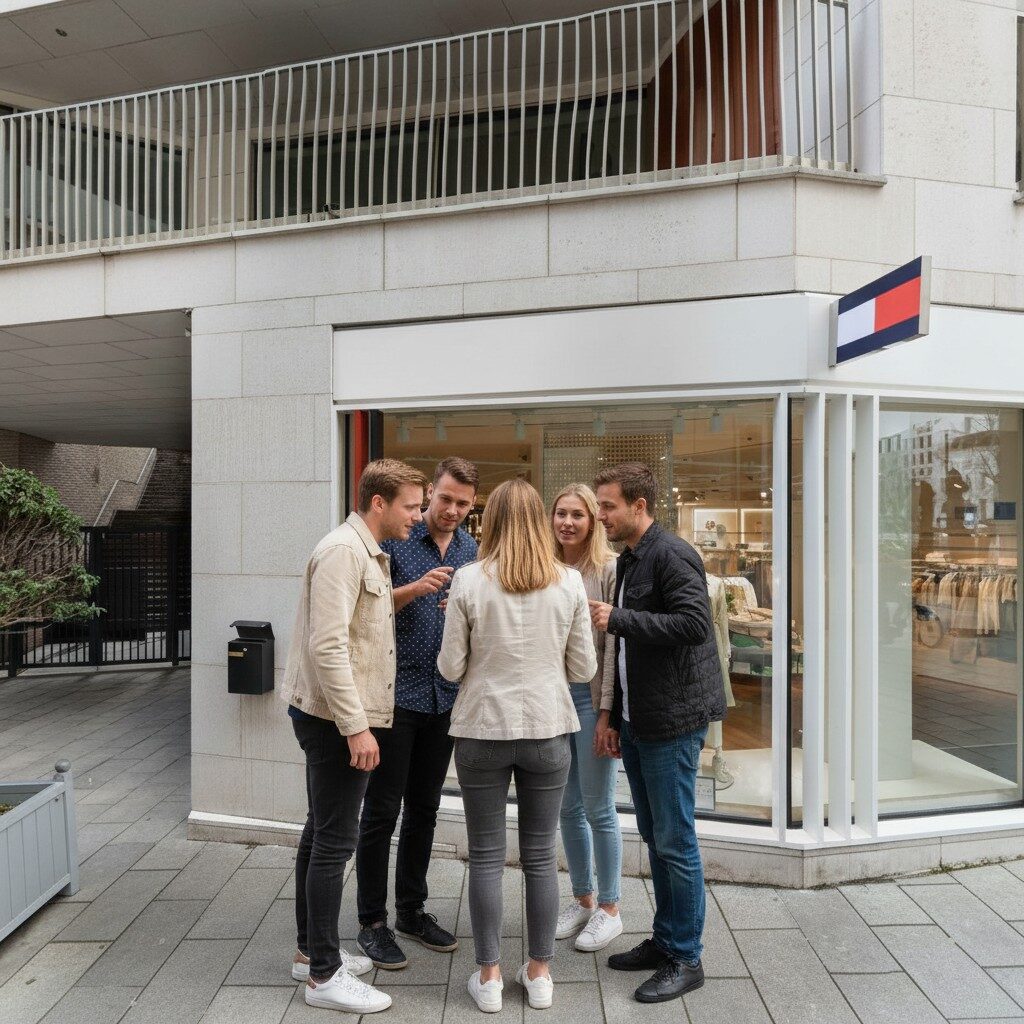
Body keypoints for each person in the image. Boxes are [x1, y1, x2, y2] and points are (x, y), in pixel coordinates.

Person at [437, 478, 597, 1014]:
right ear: (538, 520)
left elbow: (450, 667)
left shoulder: (468, 578)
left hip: (482, 727)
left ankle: (488, 977)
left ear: (492, 521)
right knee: (540, 856)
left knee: (485, 856)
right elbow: (584, 667)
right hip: (548, 729)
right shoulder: (569, 581)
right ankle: (540, 973)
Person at [281, 457, 426, 1015]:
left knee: (319, 834)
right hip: (334, 721)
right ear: (378, 503)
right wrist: (356, 727)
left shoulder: (364, 550)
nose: (418, 515)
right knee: (334, 843)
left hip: (330, 717)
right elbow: (328, 646)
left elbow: (363, 622)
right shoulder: (344, 551)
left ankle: (309, 952)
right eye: (411, 506)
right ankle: (324, 975)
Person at [589, 462, 725, 1005]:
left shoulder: (672, 554)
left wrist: (618, 618)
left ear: (639, 506)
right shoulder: (630, 558)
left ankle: (686, 958)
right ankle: (667, 941)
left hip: (671, 721)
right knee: (656, 836)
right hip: (640, 720)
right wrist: (615, 717)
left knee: (675, 840)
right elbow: (627, 657)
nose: (601, 515)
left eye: (608, 506)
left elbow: (694, 625)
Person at [355, 457, 480, 969]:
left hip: (444, 698)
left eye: (462, 503)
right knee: (382, 811)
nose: (452, 510)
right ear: (431, 493)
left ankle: (411, 910)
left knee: (425, 810)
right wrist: (416, 589)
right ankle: (372, 921)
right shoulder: (395, 537)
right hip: (395, 696)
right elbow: (366, 608)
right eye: (445, 498)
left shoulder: (471, 550)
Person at [550, 484, 624, 952]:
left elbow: (615, 646)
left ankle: (610, 908)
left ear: (593, 520)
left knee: (599, 806)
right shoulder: (545, 567)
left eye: (578, 514)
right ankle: (583, 898)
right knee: (567, 807)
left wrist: (607, 714)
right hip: (555, 700)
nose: (568, 522)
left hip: (591, 699)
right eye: (561, 513)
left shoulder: (609, 569)